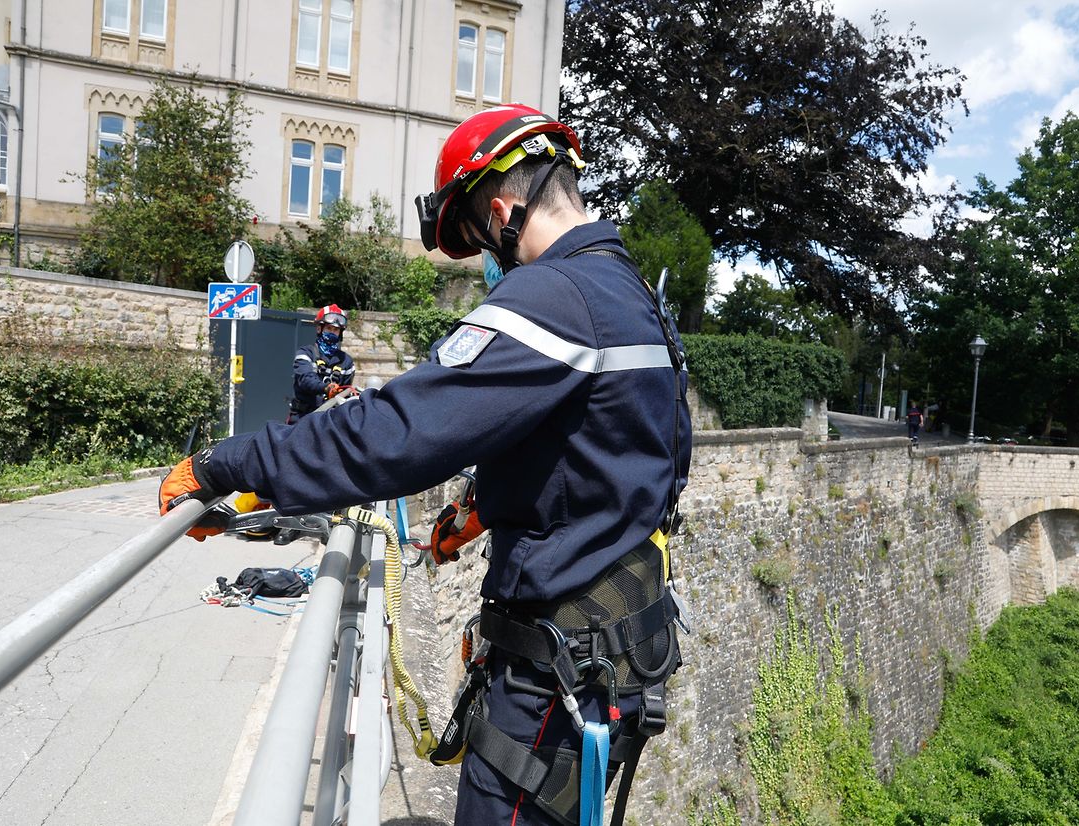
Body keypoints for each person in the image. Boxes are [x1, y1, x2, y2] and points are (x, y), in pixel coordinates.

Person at [158, 103, 691, 825]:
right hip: (620, 655)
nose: (486, 265)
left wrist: (232, 464)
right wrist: (477, 510)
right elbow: (608, 452)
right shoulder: (634, 298)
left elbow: (394, 435)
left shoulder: (553, 297)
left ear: (503, 211)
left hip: (555, 677)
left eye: (475, 244)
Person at [287, 303, 356, 424]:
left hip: (330, 421)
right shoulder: (305, 353)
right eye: (329, 328)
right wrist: (325, 388)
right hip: (303, 418)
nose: (332, 332)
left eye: (336, 330)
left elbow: (346, 392)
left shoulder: (346, 361)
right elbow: (305, 379)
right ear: (319, 328)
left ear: (340, 333)